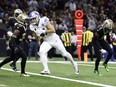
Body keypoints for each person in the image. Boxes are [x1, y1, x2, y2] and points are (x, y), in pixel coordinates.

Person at [29, 11, 79, 75]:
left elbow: (53, 30)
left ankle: (74, 63)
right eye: (32, 19)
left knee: (64, 53)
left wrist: (43, 31)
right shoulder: (32, 26)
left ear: (38, 17)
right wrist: (37, 34)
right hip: (47, 41)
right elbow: (37, 39)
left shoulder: (43, 20)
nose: (33, 20)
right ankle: (46, 69)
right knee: (41, 52)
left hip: (54, 39)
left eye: (34, 18)